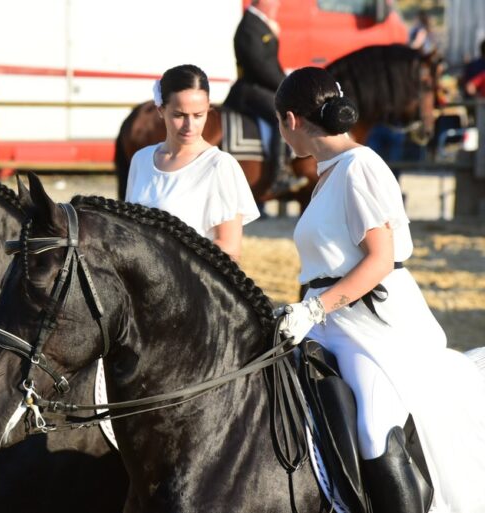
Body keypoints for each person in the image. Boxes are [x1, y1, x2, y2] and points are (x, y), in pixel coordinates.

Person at [275, 66, 485, 513]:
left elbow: (380, 259)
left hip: (372, 325)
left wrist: (314, 310)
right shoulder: (329, 172)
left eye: (280, 123)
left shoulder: (359, 167)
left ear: (290, 120)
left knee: (374, 429)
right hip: (331, 319)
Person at [125, 64, 259, 261]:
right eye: (179, 115)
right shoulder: (141, 160)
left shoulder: (220, 165)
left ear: (208, 108)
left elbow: (230, 249)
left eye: (198, 115)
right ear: (161, 110)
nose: (190, 126)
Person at [223, 0, 302, 195]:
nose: (278, 5)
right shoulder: (249, 27)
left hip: (260, 86)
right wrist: (287, 85)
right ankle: (279, 174)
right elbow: (260, 67)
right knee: (281, 118)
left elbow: (271, 64)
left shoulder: (261, 24)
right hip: (249, 89)